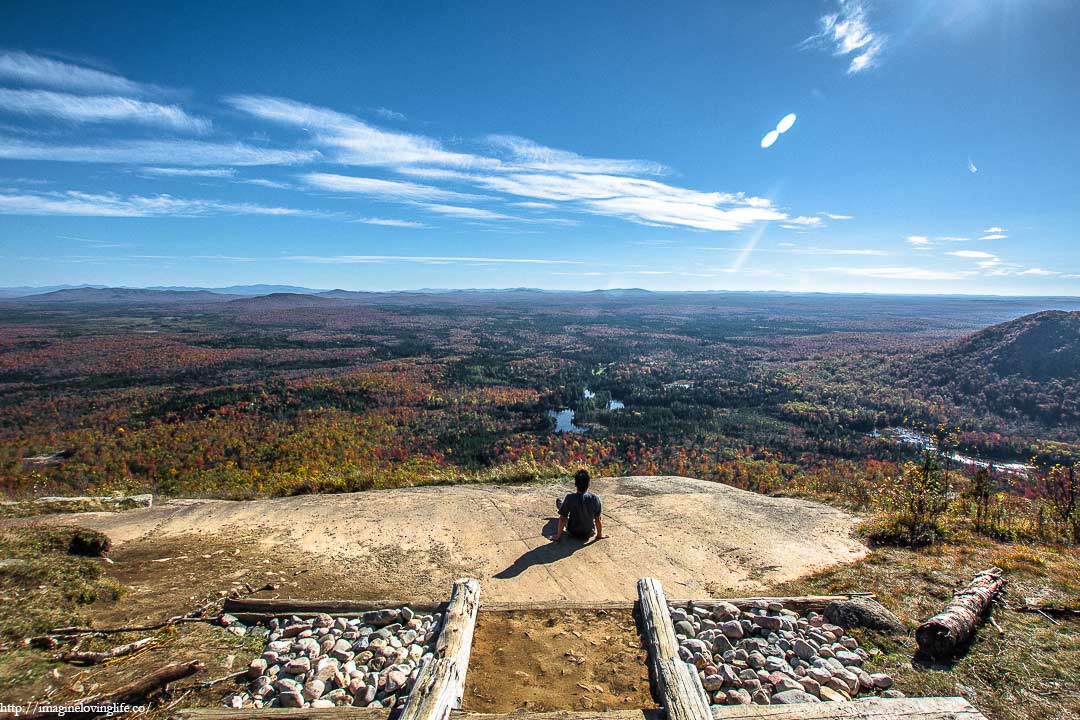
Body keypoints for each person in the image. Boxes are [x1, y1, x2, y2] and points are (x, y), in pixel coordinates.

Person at [554, 469, 605, 541]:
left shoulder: (570, 497)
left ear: (575, 484)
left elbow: (562, 518)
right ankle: (560, 504)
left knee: (564, 509)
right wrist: (599, 535)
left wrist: (558, 536)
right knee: (567, 507)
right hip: (589, 533)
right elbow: (597, 519)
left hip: (572, 532)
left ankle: (560, 505)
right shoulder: (594, 498)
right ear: (588, 484)